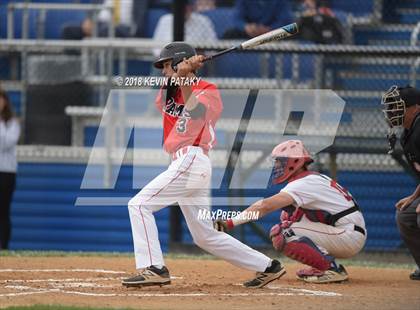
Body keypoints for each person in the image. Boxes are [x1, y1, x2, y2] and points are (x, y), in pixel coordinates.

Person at [122, 42, 285, 289]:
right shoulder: (171, 90)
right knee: (204, 235)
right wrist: (182, 73)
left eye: (167, 65)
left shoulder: (208, 89)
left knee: (139, 205)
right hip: (185, 163)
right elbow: (168, 93)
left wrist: (186, 75)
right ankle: (267, 266)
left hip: (192, 159)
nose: (164, 71)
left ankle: (154, 268)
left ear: (177, 62)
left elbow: (196, 112)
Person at [215, 140, 367, 283]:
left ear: (295, 162)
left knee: (283, 233)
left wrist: (229, 222)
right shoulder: (311, 179)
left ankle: (330, 269)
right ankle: (324, 264)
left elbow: (265, 206)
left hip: (347, 235)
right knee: (288, 216)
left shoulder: (304, 183)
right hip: (346, 232)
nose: (276, 166)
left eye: (280, 162)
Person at [382, 85, 420, 281]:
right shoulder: (409, 131)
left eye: (398, 107)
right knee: (405, 214)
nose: (392, 112)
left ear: (416, 107)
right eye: (391, 107)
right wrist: (414, 197)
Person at [62, 0, 148, 39]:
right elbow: (93, 8)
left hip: (125, 28)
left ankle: (99, 69)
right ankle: (75, 70)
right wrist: (88, 20)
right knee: (68, 31)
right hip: (99, 25)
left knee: (106, 30)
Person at [0, 88, 20, 250]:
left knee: (3, 211)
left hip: (7, 173)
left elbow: (6, 143)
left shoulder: (12, 123)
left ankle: (3, 247)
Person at [222, 0, 293, 39]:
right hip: (250, 34)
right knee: (229, 34)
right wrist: (246, 27)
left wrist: (269, 29)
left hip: (273, 34)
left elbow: (286, 20)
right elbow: (236, 19)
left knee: (290, 32)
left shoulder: (281, 1)